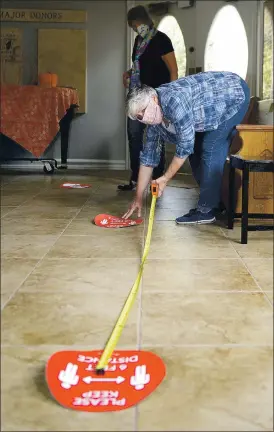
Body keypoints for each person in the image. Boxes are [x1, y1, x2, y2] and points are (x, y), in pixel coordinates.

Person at [122, 71, 250, 225]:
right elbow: (148, 159)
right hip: (211, 107)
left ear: (154, 99)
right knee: (196, 149)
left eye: (143, 110)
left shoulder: (175, 101)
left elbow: (184, 146)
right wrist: (138, 198)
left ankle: (206, 210)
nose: (143, 117)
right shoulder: (154, 125)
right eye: (139, 116)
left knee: (211, 145)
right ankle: (214, 204)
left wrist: (165, 178)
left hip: (233, 93)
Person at [118, 5, 178, 191]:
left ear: (142, 20)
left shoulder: (162, 40)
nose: (135, 29)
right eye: (132, 27)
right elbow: (140, 66)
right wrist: (129, 73)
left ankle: (157, 178)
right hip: (137, 96)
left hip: (156, 97)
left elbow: (173, 70)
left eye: (135, 25)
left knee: (157, 137)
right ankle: (135, 178)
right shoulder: (138, 41)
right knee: (134, 135)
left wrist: (167, 97)